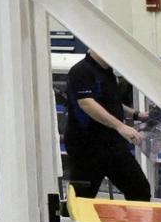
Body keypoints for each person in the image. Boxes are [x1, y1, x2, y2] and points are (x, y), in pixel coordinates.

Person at [63, 49, 152, 203]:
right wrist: (120, 126)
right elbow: (87, 103)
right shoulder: (81, 71)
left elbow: (110, 102)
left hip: (112, 145)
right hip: (88, 148)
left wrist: (136, 114)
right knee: (82, 198)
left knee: (140, 189)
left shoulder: (107, 72)